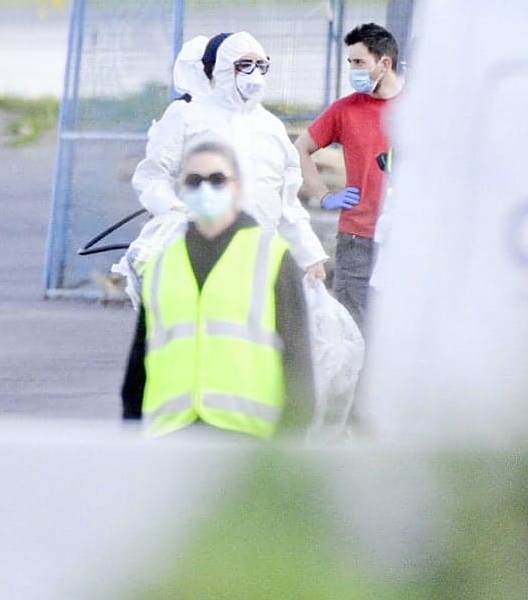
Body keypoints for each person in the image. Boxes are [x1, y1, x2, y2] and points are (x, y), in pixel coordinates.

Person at [122, 140, 315, 437]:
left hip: (248, 439)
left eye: (217, 179)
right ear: (182, 189)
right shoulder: (162, 262)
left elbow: (298, 360)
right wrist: (130, 433)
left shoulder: (271, 256)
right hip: (172, 434)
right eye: (194, 180)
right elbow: (140, 361)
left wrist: (290, 442)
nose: (205, 189)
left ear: (237, 188)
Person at [130, 30, 328, 282]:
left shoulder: (270, 127)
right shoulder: (188, 117)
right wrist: (174, 211)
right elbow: (153, 177)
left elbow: (285, 202)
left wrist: (310, 255)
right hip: (197, 252)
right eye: (244, 65)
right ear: (223, 68)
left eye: (260, 65)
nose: (253, 74)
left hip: (257, 258)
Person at [297, 22, 402, 324]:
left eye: (359, 63)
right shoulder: (345, 110)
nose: (353, 69)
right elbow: (300, 148)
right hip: (357, 238)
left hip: (403, 238)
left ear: (384, 63)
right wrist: (324, 195)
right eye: (350, 62)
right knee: (352, 328)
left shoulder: (416, 108)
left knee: (396, 329)